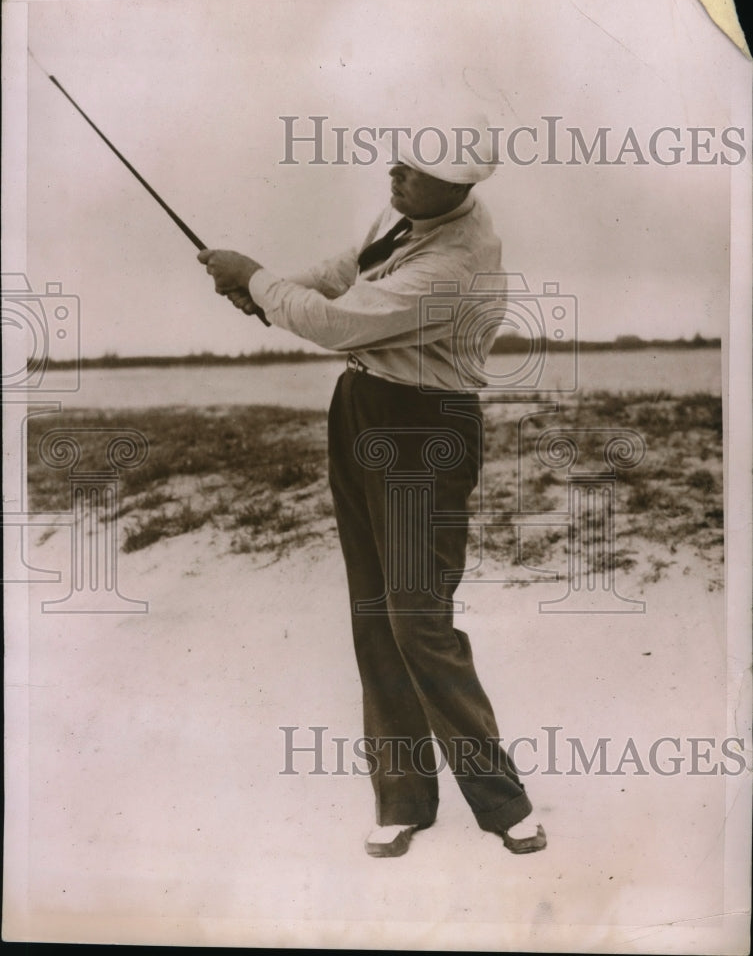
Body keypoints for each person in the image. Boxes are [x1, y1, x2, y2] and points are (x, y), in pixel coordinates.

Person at [198, 123, 546, 858]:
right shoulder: (409, 213)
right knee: (373, 614)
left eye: (417, 170)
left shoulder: (458, 261)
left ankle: (503, 802)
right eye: (400, 161)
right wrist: (269, 288)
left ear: (462, 186)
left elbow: (337, 321)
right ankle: (403, 800)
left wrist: (257, 277)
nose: (396, 172)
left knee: (418, 620)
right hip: (361, 408)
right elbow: (345, 271)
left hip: (424, 430)